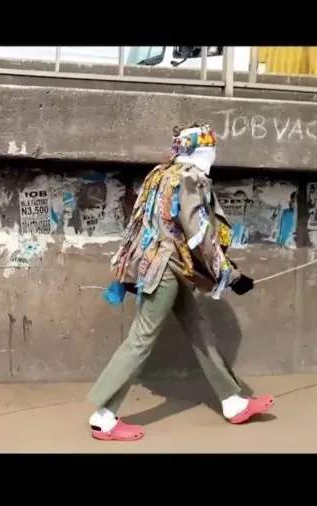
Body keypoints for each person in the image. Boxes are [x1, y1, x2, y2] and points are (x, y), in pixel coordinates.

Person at [88, 123, 274, 442]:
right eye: (212, 149)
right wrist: (229, 274)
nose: (214, 154)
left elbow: (141, 224)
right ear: (202, 151)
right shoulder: (190, 177)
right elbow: (198, 232)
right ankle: (103, 416)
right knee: (141, 338)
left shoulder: (161, 174)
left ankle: (232, 401)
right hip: (165, 268)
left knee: (200, 329)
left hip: (166, 265)